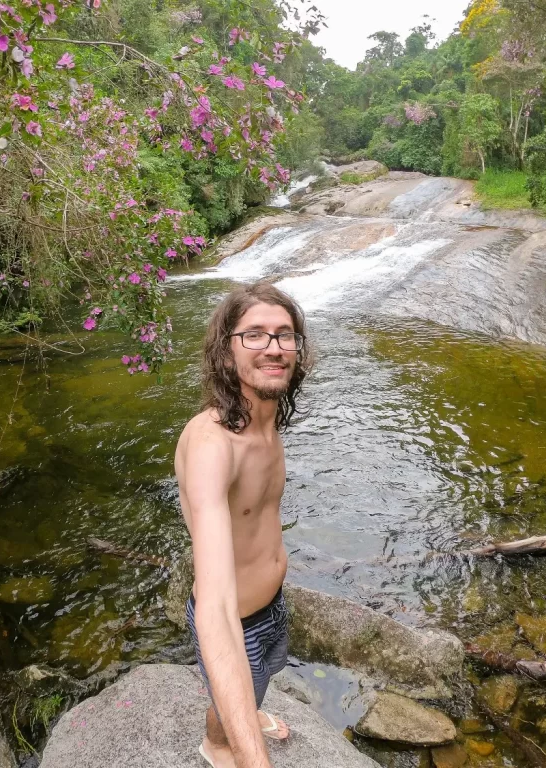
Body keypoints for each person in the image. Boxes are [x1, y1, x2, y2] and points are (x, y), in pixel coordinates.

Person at [175, 281, 312, 768]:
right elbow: (214, 606)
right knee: (232, 696)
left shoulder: (265, 418)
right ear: (226, 353)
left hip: (272, 603)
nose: (273, 347)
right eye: (254, 335)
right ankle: (216, 744)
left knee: (262, 682)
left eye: (284, 335)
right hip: (235, 620)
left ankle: (248, 712)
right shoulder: (213, 444)